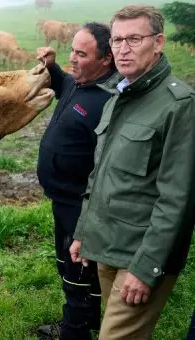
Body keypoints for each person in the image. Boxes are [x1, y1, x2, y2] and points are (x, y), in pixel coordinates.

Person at [70, 5, 195, 339]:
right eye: (116, 40)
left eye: (134, 39)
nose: (122, 49)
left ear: (158, 42)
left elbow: (177, 199)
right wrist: (85, 231)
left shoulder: (179, 106)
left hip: (141, 255)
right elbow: (101, 175)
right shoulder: (118, 97)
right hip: (108, 244)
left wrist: (146, 268)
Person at [35, 22, 116, 340]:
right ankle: (90, 323)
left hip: (83, 202)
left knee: (78, 270)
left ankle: (74, 332)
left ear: (106, 59)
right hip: (62, 199)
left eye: (81, 54)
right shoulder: (78, 84)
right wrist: (52, 65)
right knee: (72, 264)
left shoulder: (109, 101)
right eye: (72, 50)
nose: (73, 58)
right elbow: (64, 81)